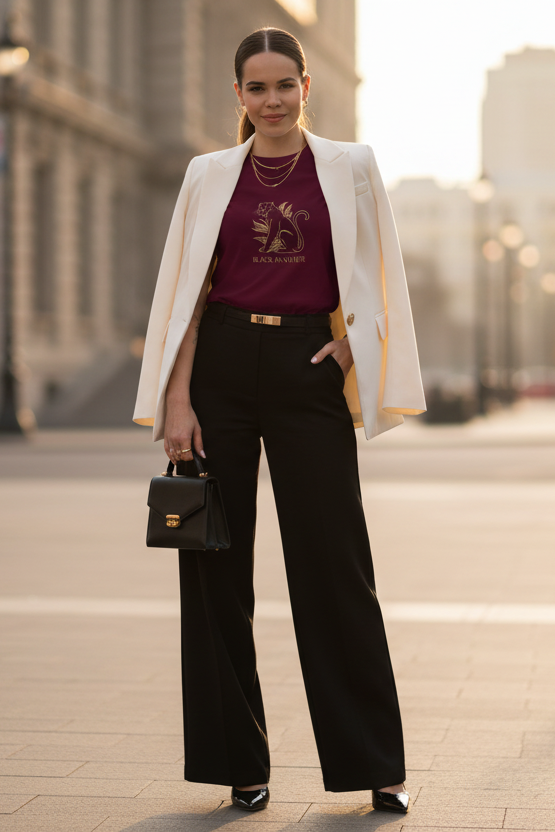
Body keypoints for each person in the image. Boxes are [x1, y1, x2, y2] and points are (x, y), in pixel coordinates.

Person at [134, 27, 425, 814]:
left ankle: (376, 762)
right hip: (221, 371)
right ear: (237, 96)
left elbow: (380, 268)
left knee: (335, 566)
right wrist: (178, 399)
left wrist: (348, 346)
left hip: (306, 371)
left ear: (305, 88)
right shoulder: (207, 174)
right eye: (255, 88)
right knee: (215, 569)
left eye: (283, 85)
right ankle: (241, 762)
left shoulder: (351, 166)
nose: (271, 100)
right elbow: (190, 292)